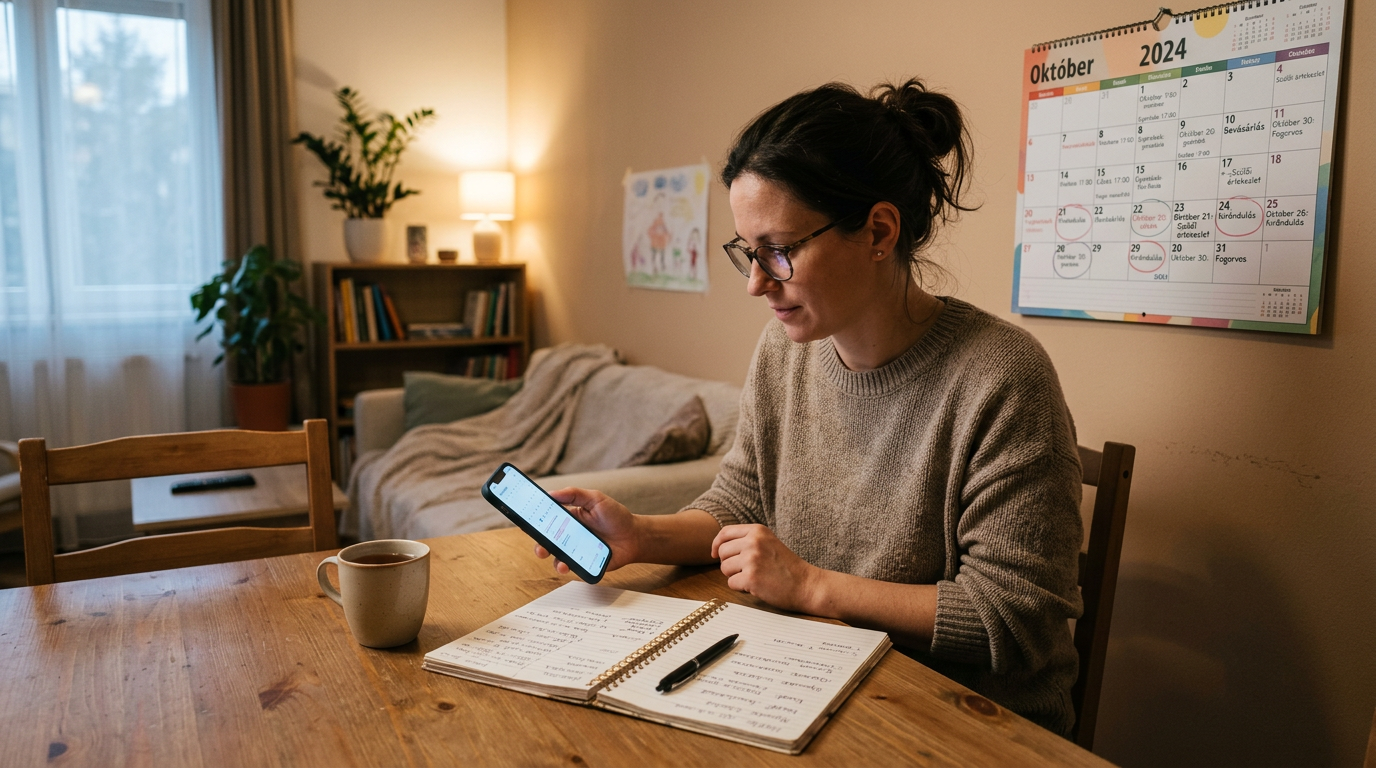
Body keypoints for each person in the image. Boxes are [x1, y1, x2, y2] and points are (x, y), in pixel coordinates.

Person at [536, 78, 1085, 736]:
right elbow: (743, 500)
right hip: (814, 680)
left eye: (780, 250)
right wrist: (643, 536)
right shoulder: (786, 350)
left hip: (965, 723)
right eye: (748, 251)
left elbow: (1014, 620)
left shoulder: (1003, 377)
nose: (756, 283)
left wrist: (810, 586)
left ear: (879, 231)